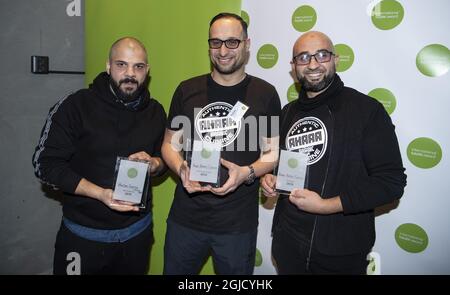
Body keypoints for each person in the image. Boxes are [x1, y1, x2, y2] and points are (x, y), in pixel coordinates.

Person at [261, 31, 407, 274]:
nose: (313, 64)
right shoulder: (287, 113)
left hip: (341, 253)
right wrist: (273, 180)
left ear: (335, 59)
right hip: (287, 245)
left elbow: (391, 182)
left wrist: (327, 205)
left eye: (321, 55)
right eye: (303, 57)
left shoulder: (366, 110)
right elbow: (288, 167)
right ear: (293, 66)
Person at [32, 37, 167, 275]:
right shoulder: (75, 106)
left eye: (138, 66)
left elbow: (163, 158)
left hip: (137, 234)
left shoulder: (155, 111)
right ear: (108, 66)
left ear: (147, 70)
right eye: (121, 65)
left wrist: (155, 163)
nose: (130, 74)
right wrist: (100, 194)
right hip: (83, 236)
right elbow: (45, 165)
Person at [161, 13, 281, 275]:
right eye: (216, 42)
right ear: (209, 46)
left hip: (237, 225)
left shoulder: (266, 94)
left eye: (232, 42)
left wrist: (246, 173)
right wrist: (181, 168)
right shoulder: (186, 90)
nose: (223, 51)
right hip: (186, 219)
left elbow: (272, 153)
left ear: (247, 44)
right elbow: (170, 144)